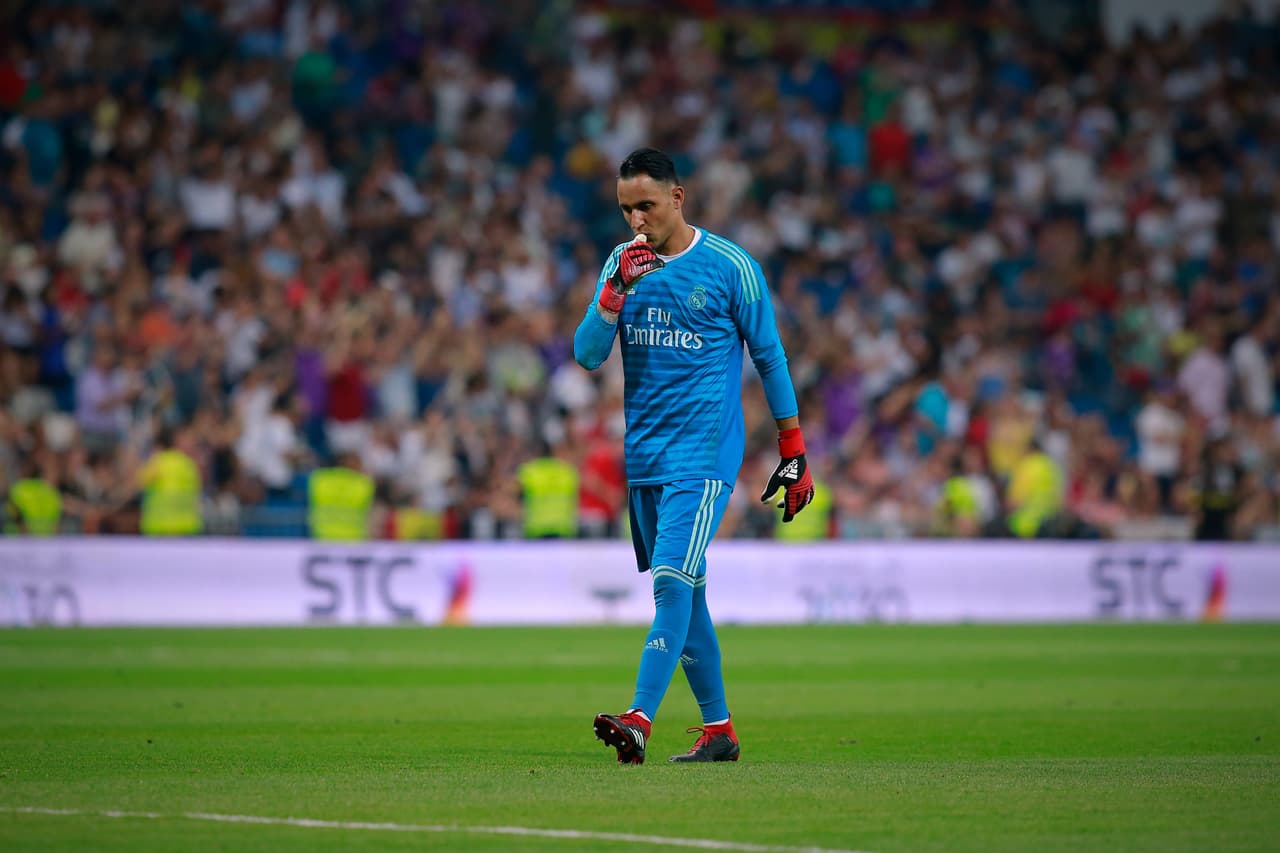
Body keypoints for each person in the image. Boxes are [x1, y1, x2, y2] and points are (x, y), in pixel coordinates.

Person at [574, 148, 814, 765]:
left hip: (703, 456)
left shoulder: (731, 267)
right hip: (645, 459)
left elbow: (771, 359)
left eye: (646, 206)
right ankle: (719, 731)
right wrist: (614, 291)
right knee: (691, 595)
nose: (636, 220)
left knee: (671, 584)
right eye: (626, 208)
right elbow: (587, 354)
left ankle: (639, 718)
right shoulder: (622, 265)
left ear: (678, 198)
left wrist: (794, 449)